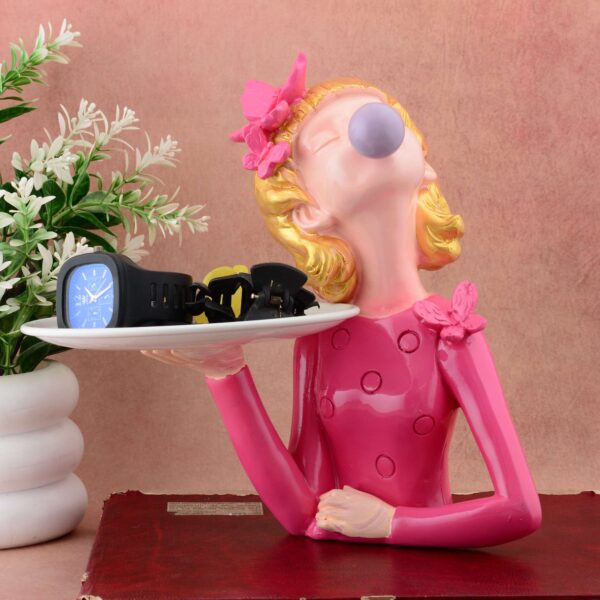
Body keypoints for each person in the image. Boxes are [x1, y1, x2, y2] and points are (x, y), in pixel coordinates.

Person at [143, 53, 541, 547]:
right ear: (308, 211)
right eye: (328, 139)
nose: (366, 128)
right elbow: (302, 514)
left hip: (434, 569)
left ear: (423, 165)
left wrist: (391, 524)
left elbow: (520, 509)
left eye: (377, 116)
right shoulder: (319, 337)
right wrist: (225, 373)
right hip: (337, 573)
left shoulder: (452, 333)